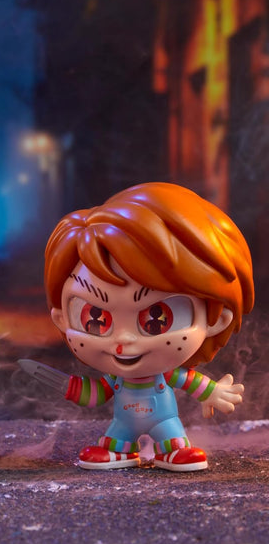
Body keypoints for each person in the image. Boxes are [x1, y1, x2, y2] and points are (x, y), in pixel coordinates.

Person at [44, 182, 254, 471]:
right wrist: (69, 387)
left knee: (172, 437)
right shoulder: (116, 379)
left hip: (164, 420)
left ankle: (174, 451)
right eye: (96, 317)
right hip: (122, 423)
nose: (123, 339)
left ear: (215, 320)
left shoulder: (168, 374)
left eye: (157, 318)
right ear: (61, 318)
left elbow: (191, 382)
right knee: (117, 436)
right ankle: (118, 452)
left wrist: (215, 393)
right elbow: (97, 394)